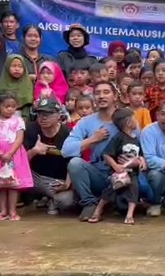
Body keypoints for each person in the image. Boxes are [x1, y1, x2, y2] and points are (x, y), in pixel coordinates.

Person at [62, 82, 118, 221]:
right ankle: (89, 202)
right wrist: (92, 139)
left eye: (106, 92)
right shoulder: (86, 122)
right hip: (98, 175)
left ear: (115, 96)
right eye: (98, 93)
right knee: (75, 163)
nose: (101, 96)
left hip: (120, 175)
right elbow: (66, 150)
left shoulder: (126, 118)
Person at [0, 90, 33, 221]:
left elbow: (19, 138)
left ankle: (12, 211)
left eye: (13, 107)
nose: (10, 109)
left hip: (13, 155)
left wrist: (10, 153)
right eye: (6, 106)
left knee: (12, 184)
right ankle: (3, 211)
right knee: (1, 185)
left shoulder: (19, 121)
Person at [91, 108, 145, 224]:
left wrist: (142, 162)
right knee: (110, 189)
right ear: (129, 123)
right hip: (118, 172)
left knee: (134, 188)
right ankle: (98, 210)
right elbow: (106, 154)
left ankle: (130, 215)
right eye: (135, 119)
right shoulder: (118, 138)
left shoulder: (136, 139)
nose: (137, 121)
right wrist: (115, 165)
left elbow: (140, 155)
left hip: (133, 173)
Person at [24, 98, 76, 215]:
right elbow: (19, 162)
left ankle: (51, 199)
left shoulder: (67, 133)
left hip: (56, 180)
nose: (43, 117)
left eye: (48, 114)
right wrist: (33, 151)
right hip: (34, 176)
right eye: (40, 114)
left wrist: (66, 184)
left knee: (67, 201)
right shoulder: (30, 129)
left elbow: (73, 161)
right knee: (10, 174)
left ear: (58, 115)